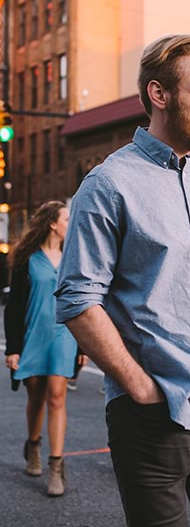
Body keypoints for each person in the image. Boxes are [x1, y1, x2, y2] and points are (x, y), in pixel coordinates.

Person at [55, 32, 190, 527]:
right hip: (153, 408)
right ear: (160, 94)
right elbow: (78, 298)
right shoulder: (108, 184)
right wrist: (138, 386)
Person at [4, 200, 87, 497]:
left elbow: (82, 303)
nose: (70, 222)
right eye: (66, 218)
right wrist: (12, 348)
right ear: (52, 223)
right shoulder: (27, 258)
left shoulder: (73, 258)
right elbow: (13, 308)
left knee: (56, 397)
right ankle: (34, 445)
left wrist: (83, 344)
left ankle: (56, 466)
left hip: (64, 336)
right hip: (32, 336)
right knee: (36, 397)